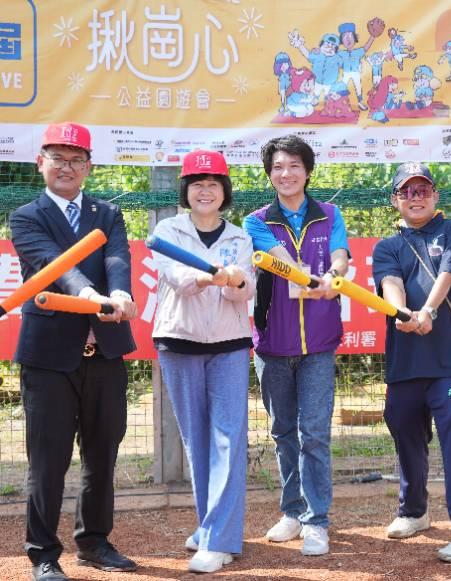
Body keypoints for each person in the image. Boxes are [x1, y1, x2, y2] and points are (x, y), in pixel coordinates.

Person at [10, 122, 139, 581]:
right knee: (48, 460)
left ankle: (95, 541)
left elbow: (116, 257)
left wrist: (119, 292)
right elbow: (49, 264)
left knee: (103, 452)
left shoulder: (108, 212)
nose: (67, 167)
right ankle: (43, 553)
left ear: (89, 167)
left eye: (76, 159)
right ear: (40, 163)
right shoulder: (26, 216)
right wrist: (90, 296)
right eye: (58, 158)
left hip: (104, 353)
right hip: (49, 358)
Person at [372, 162, 451, 563]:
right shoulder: (387, 246)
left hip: (450, 360)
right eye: (407, 191)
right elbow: (390, 284)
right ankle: (414, 510)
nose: (416, 197)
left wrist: (426, 311)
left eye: (422, 189)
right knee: (405, 433)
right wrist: (401, 313)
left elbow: (446, 276)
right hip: (405, 363)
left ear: (435, 194)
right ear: (396, 200)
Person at [243, 135, 350, 557]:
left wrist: (335, 274)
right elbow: (277, 261)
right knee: (283, 432)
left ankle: (316, 520)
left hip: (319, 343)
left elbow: (340, 254)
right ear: (270, 174)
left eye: (293, 166)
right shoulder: (256, 222)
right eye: (277, 167)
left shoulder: (330, 214)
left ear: (307, 170)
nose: (285, 174)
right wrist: (310, 279)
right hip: (271, 344)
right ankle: (291, 510)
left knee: (315, 434)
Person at [151, 150, 255, 573]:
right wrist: (211, 273)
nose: (205, 190)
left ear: (224, 191)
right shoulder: (168, 230)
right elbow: (178, 280)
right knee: (197, 441)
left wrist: (235, 280)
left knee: (229, 440)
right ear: (186, 191)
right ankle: (211, 526)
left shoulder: (240, 237)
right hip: (179, 341)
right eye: (197, 183)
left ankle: (218, 538)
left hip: (230, 344)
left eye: (213, 183)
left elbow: (243, 290)